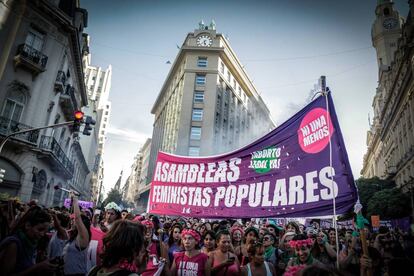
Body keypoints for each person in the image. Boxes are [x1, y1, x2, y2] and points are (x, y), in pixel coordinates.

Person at [0, 205, 58, 275]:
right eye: (40, 229)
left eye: (45, 231)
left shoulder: (31, 243)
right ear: (28, 225)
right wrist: (37, 267)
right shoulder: (14, 244)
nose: (42, 234)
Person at [63, 194, 91, 276]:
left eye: (74, 221)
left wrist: (75, 201)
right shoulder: (73, 236)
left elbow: (77, 218)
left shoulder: (83, 237)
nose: (72, 222)